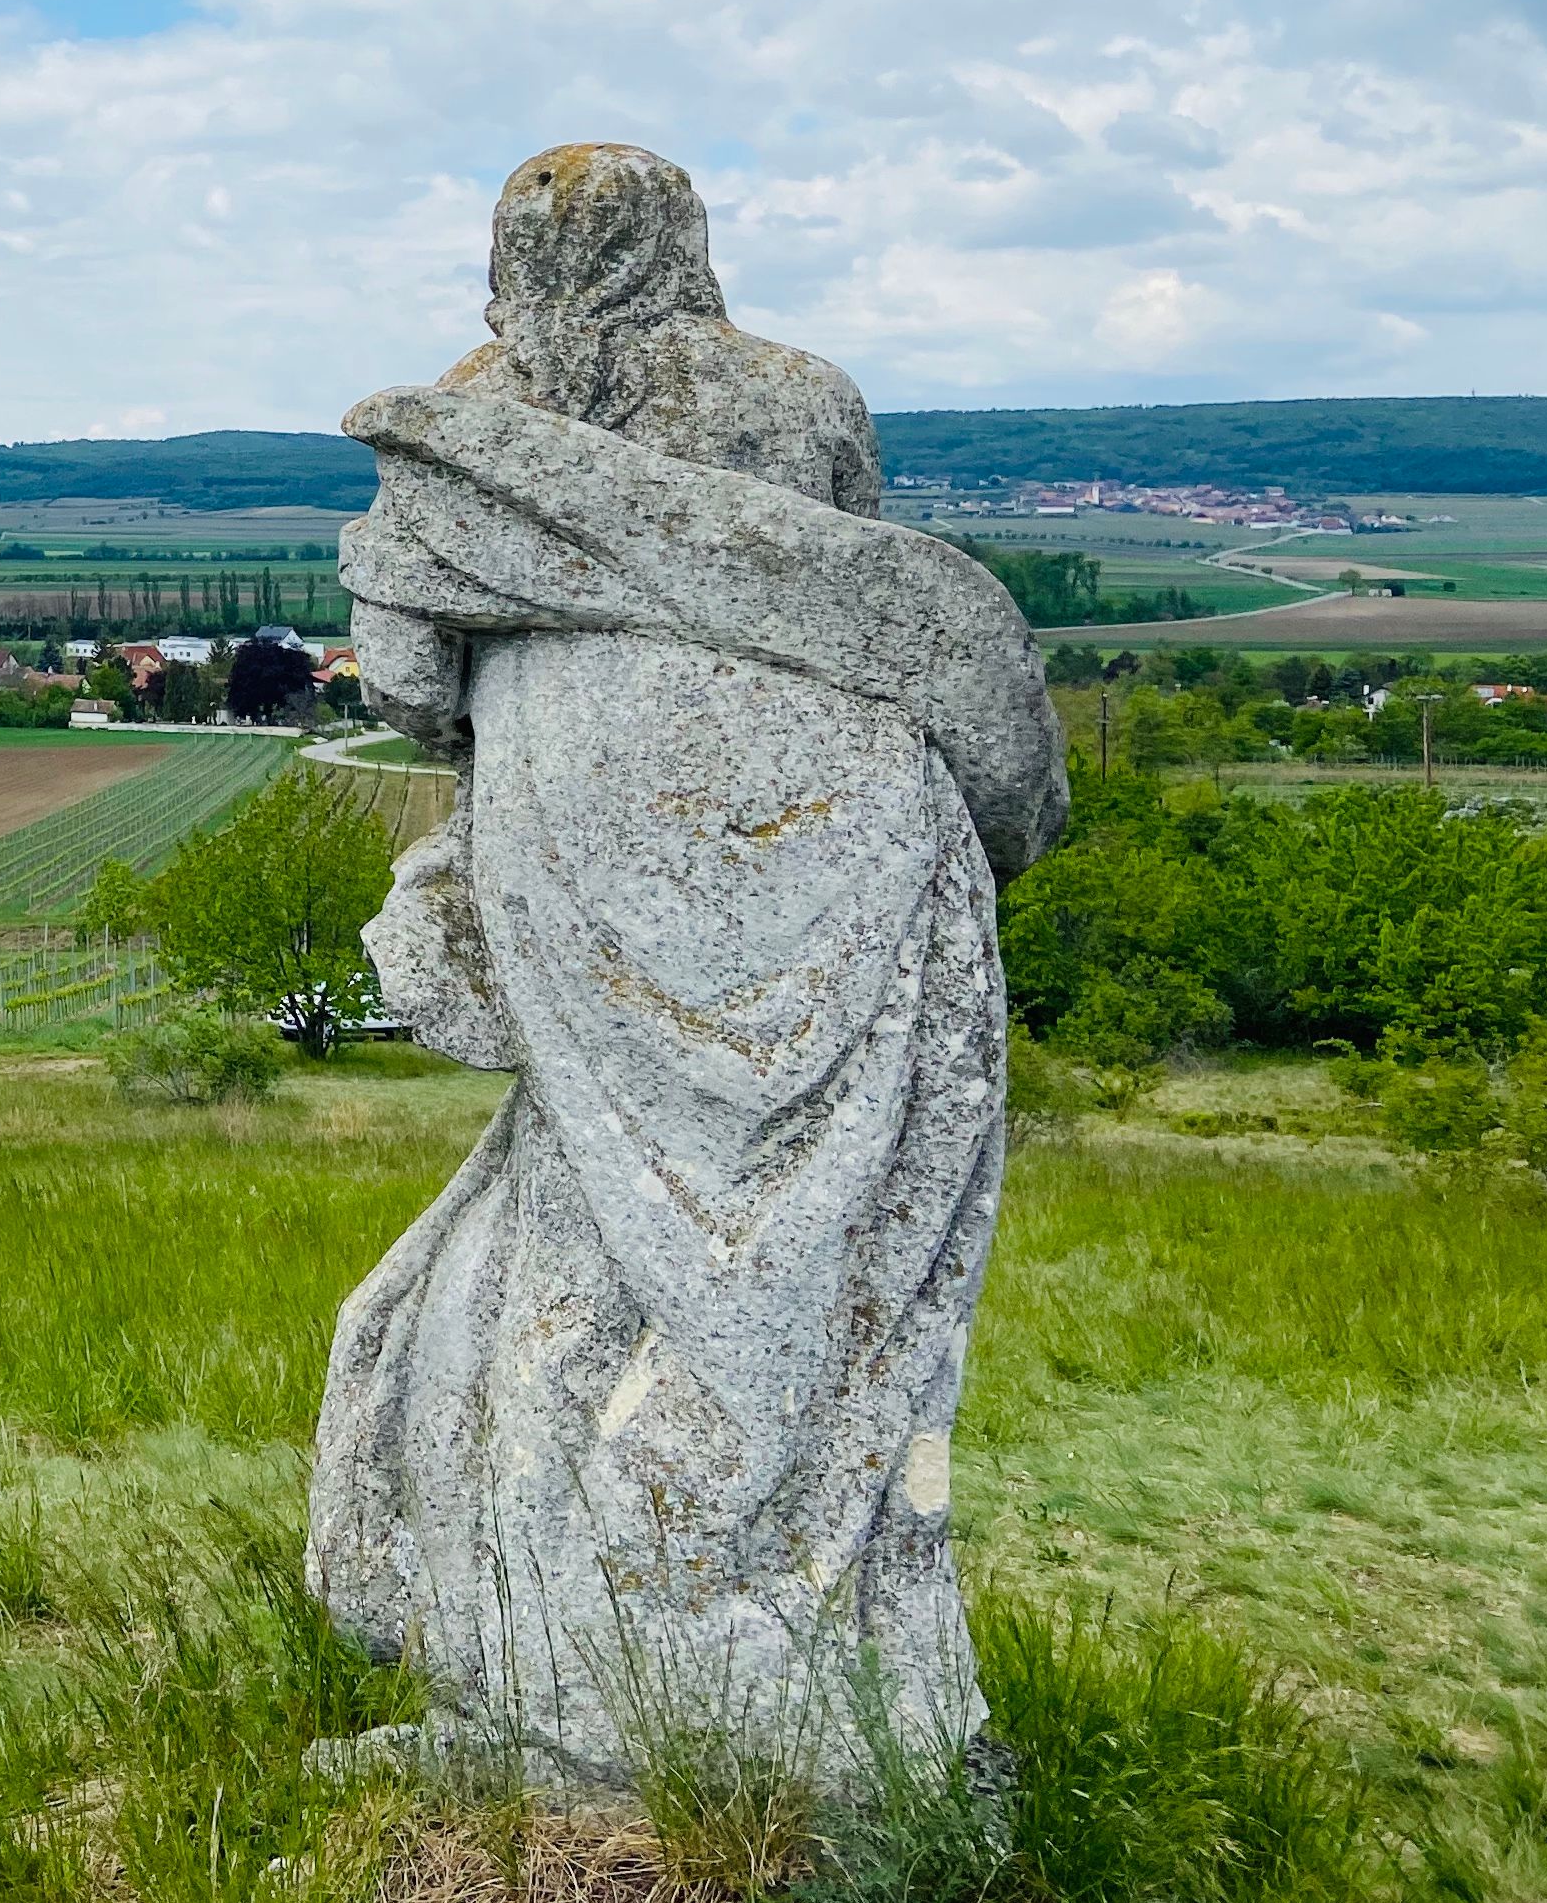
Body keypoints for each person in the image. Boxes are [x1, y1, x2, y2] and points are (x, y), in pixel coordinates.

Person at [311, 145, 1064, 1789]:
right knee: (839, 1257)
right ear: (690, 248)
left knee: (567, 1255)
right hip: (847, 844)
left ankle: (580, 1689)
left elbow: (405, 681)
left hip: (589, 843)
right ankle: (825, 1687)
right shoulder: (805, 400)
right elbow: (877, 611)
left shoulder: (474, 420)